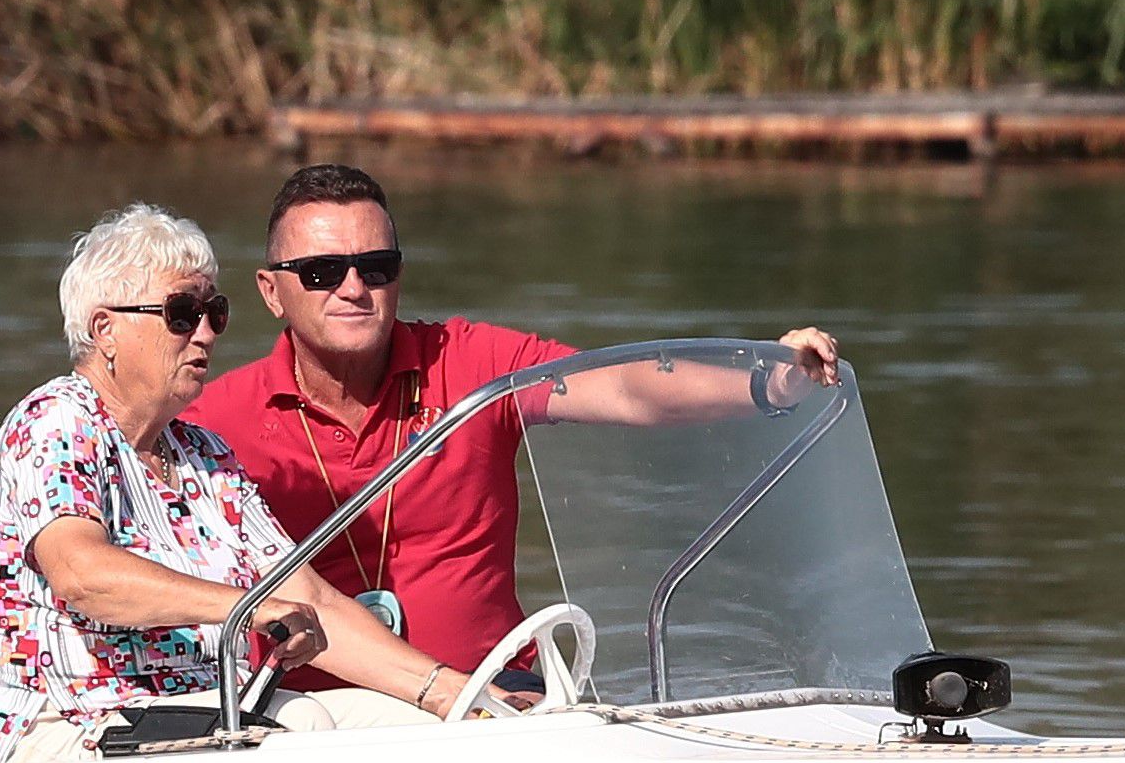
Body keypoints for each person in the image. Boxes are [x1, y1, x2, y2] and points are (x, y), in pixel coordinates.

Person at [184, 163, 842, 686]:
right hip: (315, 727)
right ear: (271, 291)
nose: (353, 287)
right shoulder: (211, 419)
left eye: (375, 267)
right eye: (322, 272)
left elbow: (626, 385)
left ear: (398, 277)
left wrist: (765, 379)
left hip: (500, 701)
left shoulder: (474, 359)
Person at [0, 203, 504, 763]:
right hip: (68, 726)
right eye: (181, 313)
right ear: (106, 330)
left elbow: (307, 596)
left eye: (214, 312)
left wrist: (457, 693)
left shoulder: (202, 453)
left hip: (203, 715)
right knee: (302, 723)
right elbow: (83, 576)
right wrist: (245, 607)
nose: (205, 333)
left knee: (431, 730)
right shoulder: (56, 421)